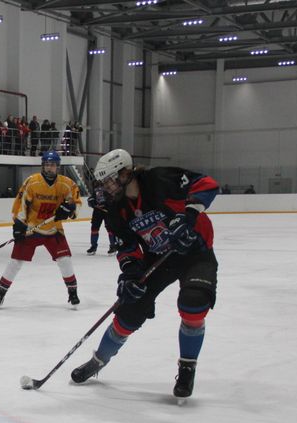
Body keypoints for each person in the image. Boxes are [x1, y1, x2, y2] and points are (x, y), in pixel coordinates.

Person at [71, 148, 219, 400]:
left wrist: (190, 216)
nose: (106, 187)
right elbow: (127, 248)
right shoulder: (117, 210)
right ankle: (99, 360)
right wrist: (130, 274)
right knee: (129, 311)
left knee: (193, 303)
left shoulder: (160, 179)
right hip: (158, 259)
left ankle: (186, 368)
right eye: (103, 182)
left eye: (109, 180)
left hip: (195, 251)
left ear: (126, 173)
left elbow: (207, 184)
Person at [0, 150, 81, 309]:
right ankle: (1, 292)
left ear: (57, 167)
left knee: (64, 260)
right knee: (16, 261)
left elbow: (76, 202)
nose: (49, 168)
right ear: (42, 165)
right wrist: (19, 225)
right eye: (46, 164)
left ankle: (72, 292)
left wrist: (70, 209)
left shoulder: (66, 184)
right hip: (32, 228)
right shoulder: (32, 182)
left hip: (54, 229)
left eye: (52, 165)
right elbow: (21, 203)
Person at [86, 184, 118, 255]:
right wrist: (91, 202)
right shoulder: (95, 185)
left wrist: (108, 203)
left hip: (108, 211)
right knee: (94, 228)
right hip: (97, 211)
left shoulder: (110, 185)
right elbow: (91, 198)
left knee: (110, 228)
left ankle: (113, 246)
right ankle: (93, 246)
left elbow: (115, 197)